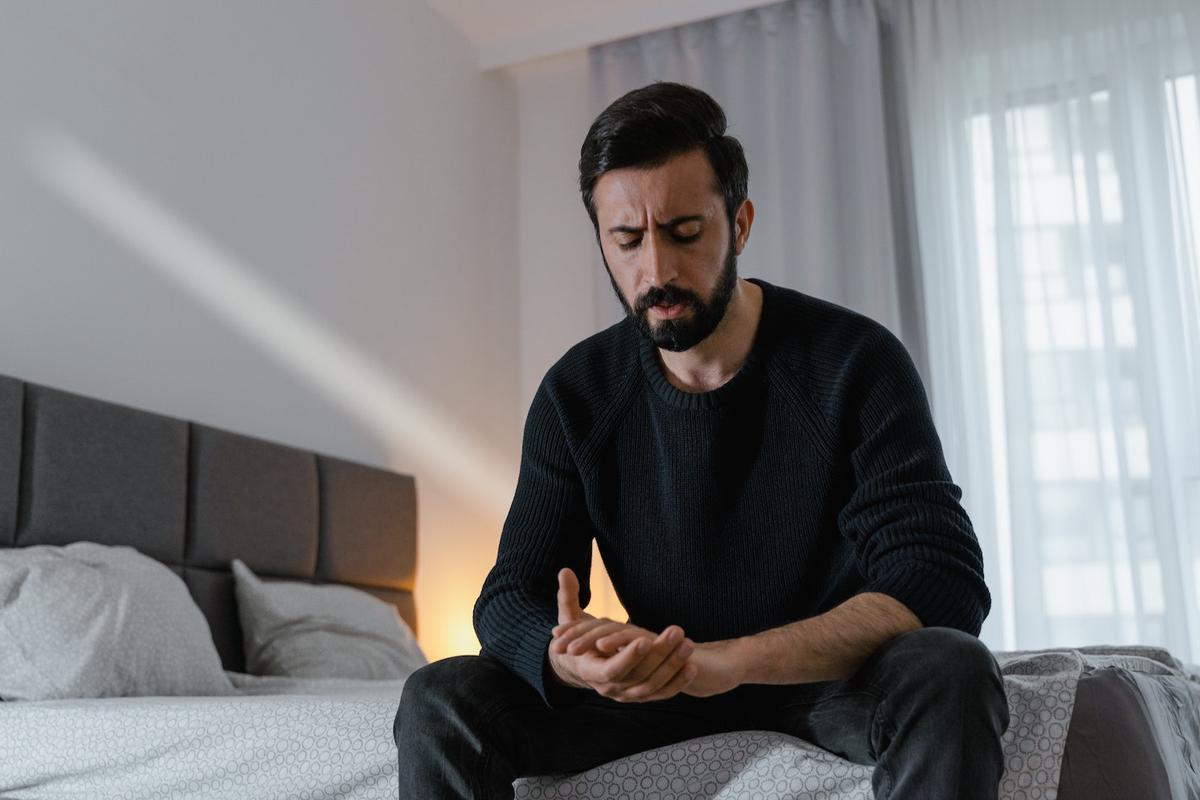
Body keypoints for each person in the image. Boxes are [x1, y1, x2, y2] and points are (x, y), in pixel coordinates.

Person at [394, 81, 1009, 800]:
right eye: (626, 240)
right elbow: (509, 597)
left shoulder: (854, 362)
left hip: (826, 685)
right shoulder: (577, 393)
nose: (655, 272)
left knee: (949, 665)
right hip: (657, 695)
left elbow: (938, 577)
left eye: (685, 233)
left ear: (739, 224)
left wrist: (733, 660)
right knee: (442, 693)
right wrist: (570, 659)